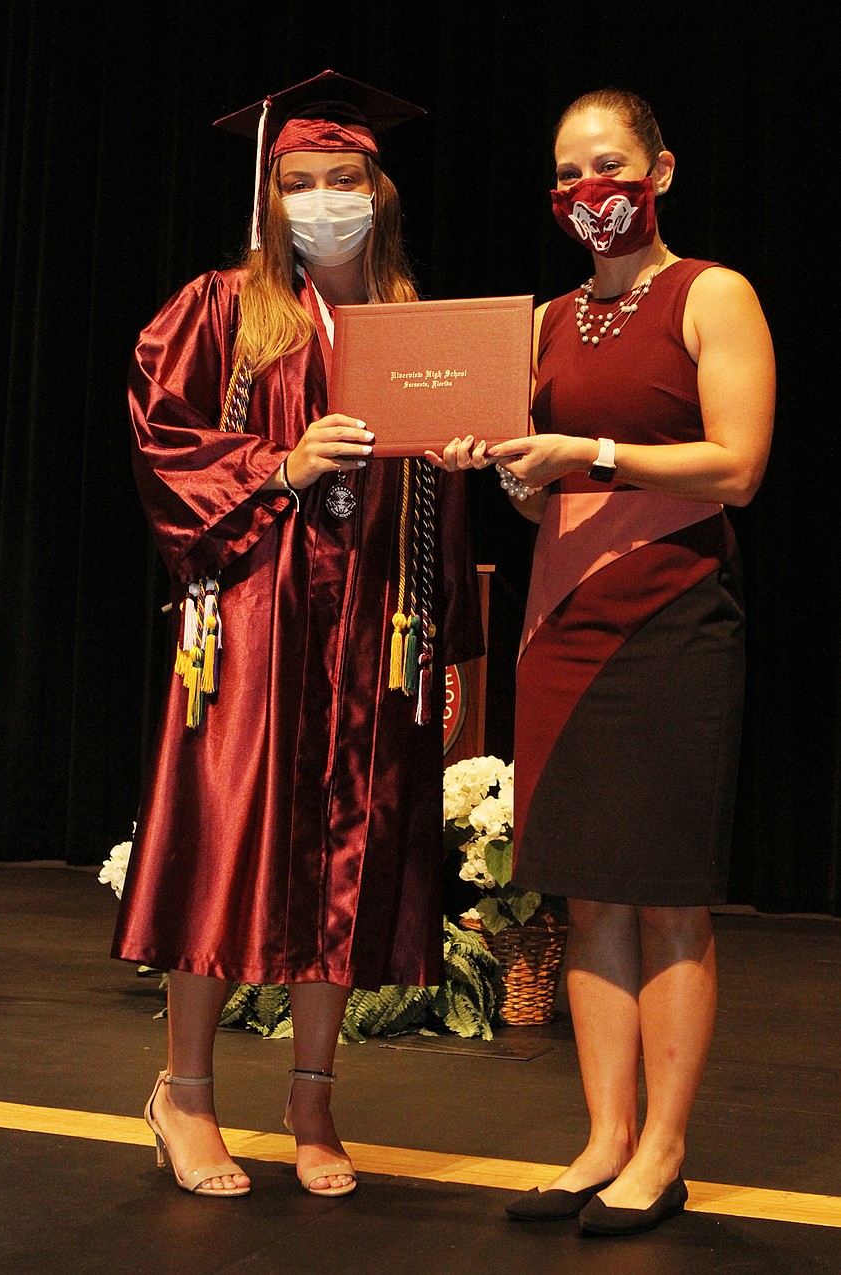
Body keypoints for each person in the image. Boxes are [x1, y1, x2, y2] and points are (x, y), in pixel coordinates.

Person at [113, 71, 482, 1200]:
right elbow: (158, 437)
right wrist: (277, 464)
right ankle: (183, 1097)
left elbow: (445, 499)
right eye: (301, 183)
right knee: (223, 853)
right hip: (255, 622)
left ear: (382, 191)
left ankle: (312, 1102)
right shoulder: (220, 310)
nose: (324, 201)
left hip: (374, 624)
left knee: (348, 857)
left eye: (345, 180)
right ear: (269, 201)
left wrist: (461, 463)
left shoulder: (419, 326)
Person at [435, 88, 774, 1236]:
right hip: (559, 626)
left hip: (673, 621)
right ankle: (602, 1139)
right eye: (570, 172)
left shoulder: (710, 293)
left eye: (611, 165)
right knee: (586, 898)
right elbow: (553, 499)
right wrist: (525, 483)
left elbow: (735, 468)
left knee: (667, 897)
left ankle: (663, 1149)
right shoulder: (537, 321)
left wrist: (593, 448)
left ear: (660, 170)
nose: (591, 190)